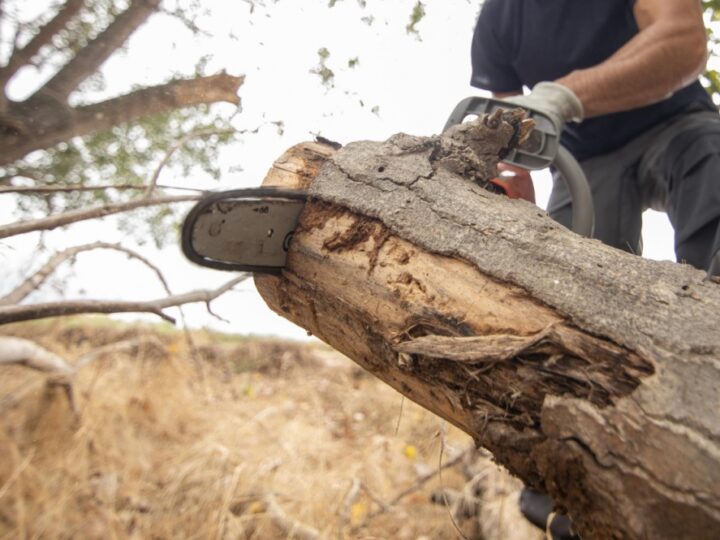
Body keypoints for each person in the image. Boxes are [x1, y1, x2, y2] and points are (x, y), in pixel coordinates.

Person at [471, 0, 720, 278]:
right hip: (583, 161)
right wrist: (512, 196)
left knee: (711, 160)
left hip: (677, 123)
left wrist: (565, 94)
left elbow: (683, 39)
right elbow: (512, 131)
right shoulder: (497, 18)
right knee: (562, 274)